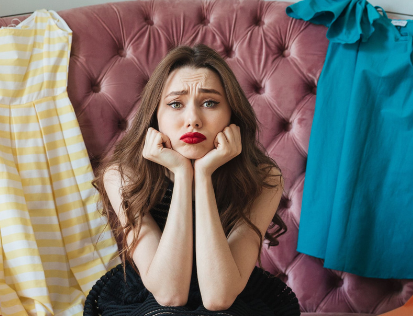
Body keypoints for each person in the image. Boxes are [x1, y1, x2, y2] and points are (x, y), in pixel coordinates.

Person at [84, 45, 300, 316]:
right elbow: (169, 293)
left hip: (230, 290)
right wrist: (184, 175)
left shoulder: (264, 179)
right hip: (150, 294)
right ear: (155, 116)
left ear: (232, 114)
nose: (193, 120)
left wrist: (204, 174)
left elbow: (218, 297)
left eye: (210, 103)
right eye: (175, 104)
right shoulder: (123, 176)